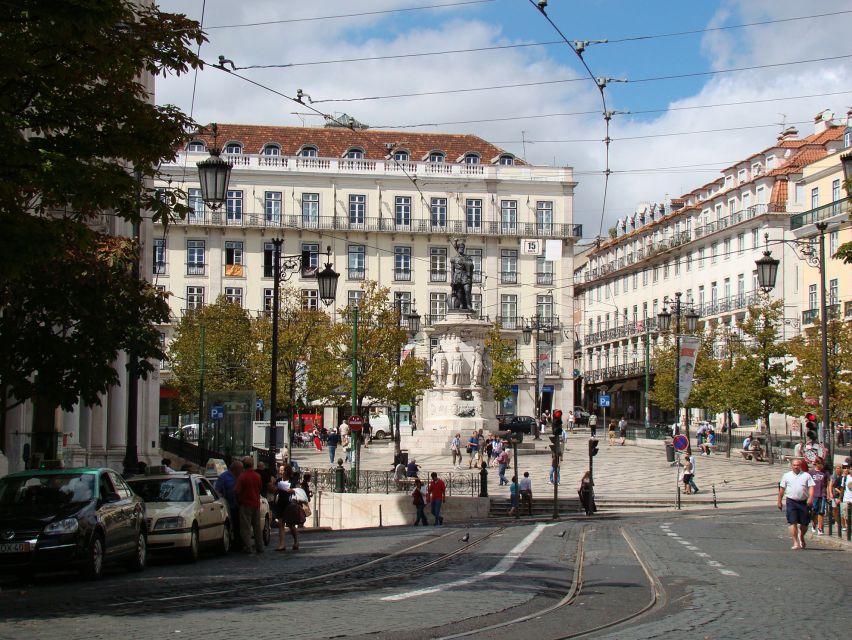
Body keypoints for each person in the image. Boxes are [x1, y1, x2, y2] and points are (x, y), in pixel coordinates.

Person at [777, 458, 815, 550]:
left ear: (800, 466)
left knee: (804, 524)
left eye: (798, 465)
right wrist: (779, 501)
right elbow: (782, 489)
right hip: (791, 501)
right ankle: (795, 542)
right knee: (792, 522)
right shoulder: (786, 476)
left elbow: (811, 487)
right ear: (791, 466)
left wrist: (810, 498)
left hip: (803, 502)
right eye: (794, 465)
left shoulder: (806, 475)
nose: (796, 467)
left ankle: (801, 536)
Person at [235, 456, 264, 554]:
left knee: (245, 527)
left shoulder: (242, 477)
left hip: (245, 504)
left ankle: (248, 547)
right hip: (256, 503)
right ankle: (260, 546)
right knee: (257, 527)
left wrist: (239, 500)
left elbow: (237, 491)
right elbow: (260, 488)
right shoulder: (257, 476)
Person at [215, 459, 243, 550]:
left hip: (241, 505)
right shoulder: (224, 477)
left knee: (239, 525)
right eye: (240, 468)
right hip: (229, 505)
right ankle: (234, 543)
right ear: (235, 469)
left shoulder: (241, 476)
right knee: (232, 525)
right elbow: (218, 491)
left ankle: (239, 543)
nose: (242, 470)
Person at [808, 459, 830, 535]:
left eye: (822, 463)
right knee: (814, 511)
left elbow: (828, 483)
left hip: (822, 494)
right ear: (816, 463)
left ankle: (820, 528)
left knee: (821, 511)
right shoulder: (811, 472)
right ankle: (814, 524)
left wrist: (829, 494)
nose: (821, 465)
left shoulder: (825, 473)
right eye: (819, 463)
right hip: (814, 495)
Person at [450, 240, 474, 310]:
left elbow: (471, 265)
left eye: (463, 248)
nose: (461, 249)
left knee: (467, 290)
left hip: (465, 276)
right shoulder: (454, 259)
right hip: (457, 276)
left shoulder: (467, 257)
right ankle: (461, 304)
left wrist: (464, 262)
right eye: (460, 248)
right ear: (457, 249)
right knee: (459, 291)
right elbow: (452, 270)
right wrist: (452, 279)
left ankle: (469, 305)